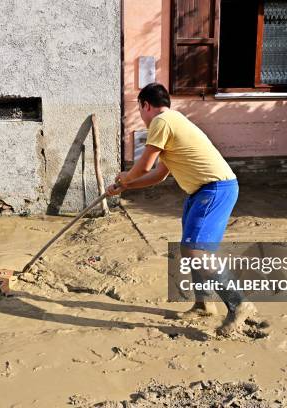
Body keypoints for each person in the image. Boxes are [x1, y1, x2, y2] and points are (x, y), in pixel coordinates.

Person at [106, 83, 256, 336]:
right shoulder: (172, 123)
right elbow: (158, 175)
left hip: (215, 189)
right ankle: (204, 304)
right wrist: (126, 187)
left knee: (195, 250)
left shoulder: (162, 121)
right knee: (192, 249)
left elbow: (143, 168)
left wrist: (125, 178)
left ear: (146, 105)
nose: (142, 117)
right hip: (201, 192)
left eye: (140, 110)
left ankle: (239, 303)